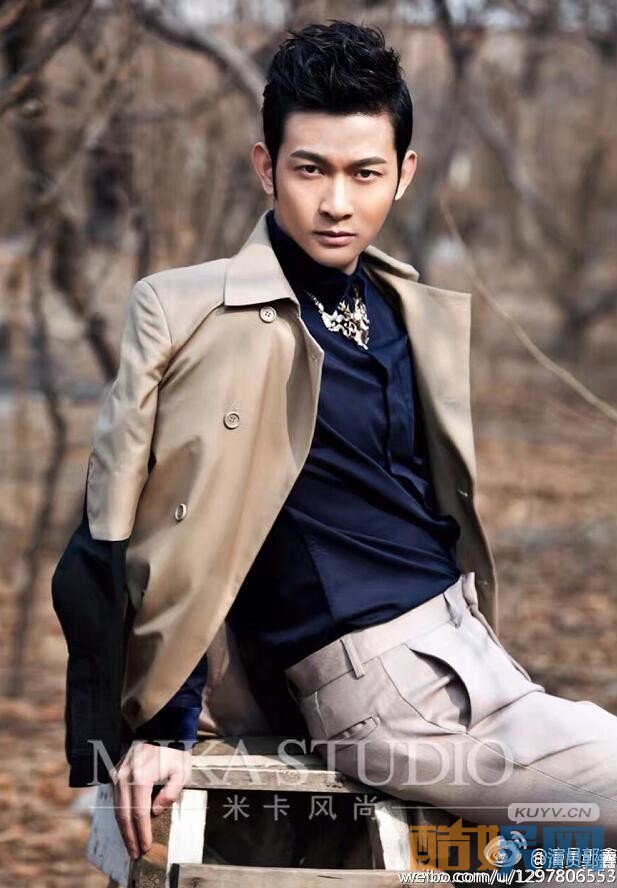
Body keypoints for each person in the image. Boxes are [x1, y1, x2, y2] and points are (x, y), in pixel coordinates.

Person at [52, 19, 617, 869]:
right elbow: (135, 528)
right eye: (309, 169)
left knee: (569, 865)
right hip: (379, 689)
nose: (337, 203)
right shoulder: (195, 314)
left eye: (365, 173)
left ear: (404, 173)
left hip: (470, 653)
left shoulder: (398, 305)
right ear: (265, 166)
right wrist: (159, 724)